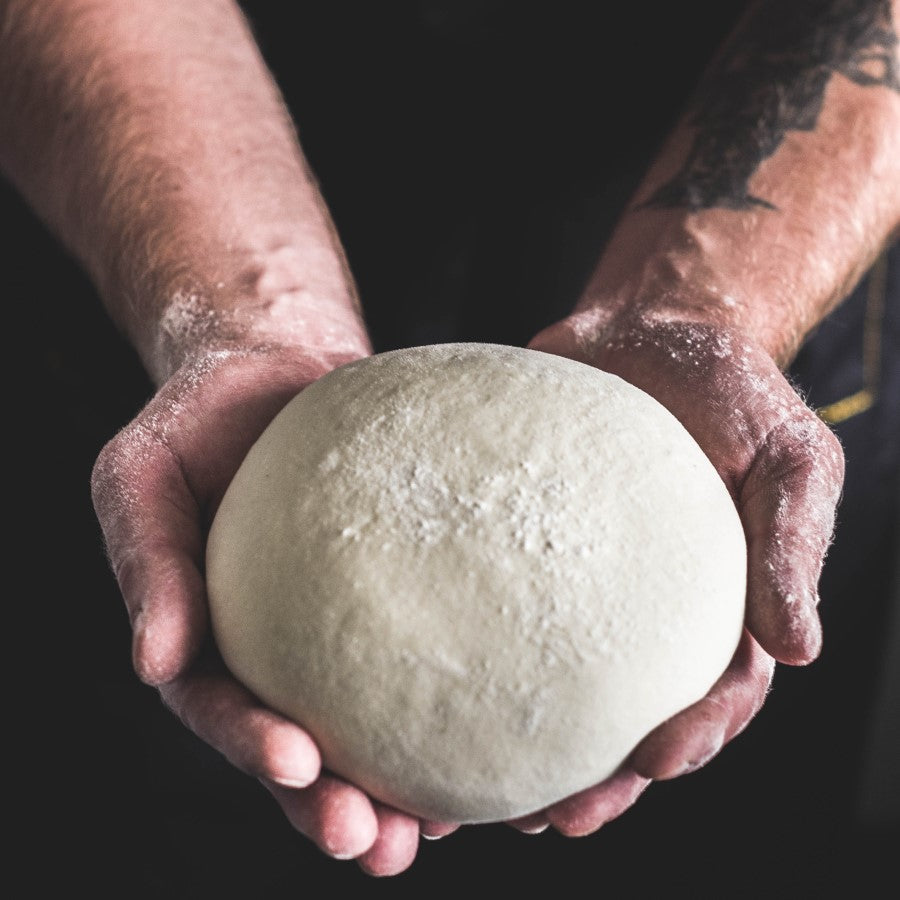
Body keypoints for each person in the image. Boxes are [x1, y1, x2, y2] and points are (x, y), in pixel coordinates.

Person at [2, 0, 897, 890]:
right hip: (172, 182)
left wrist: (706, 309)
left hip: (750, 210)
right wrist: (238, 315)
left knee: (725, 850)